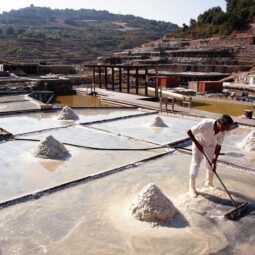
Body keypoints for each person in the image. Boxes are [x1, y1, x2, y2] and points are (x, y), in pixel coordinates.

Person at [187, 114, 234, 197]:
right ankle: (192, 189)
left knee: (211, 166)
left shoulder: (223, 131)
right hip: (198, 142)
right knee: (195, 164)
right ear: (219, 123)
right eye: (224, 127)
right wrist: (198, 144)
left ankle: (209, 182)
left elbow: (218, 146)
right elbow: (189, 132)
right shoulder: (207, 123)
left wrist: (214, 162)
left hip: (210, 146)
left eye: (227, 129)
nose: (225, 130)